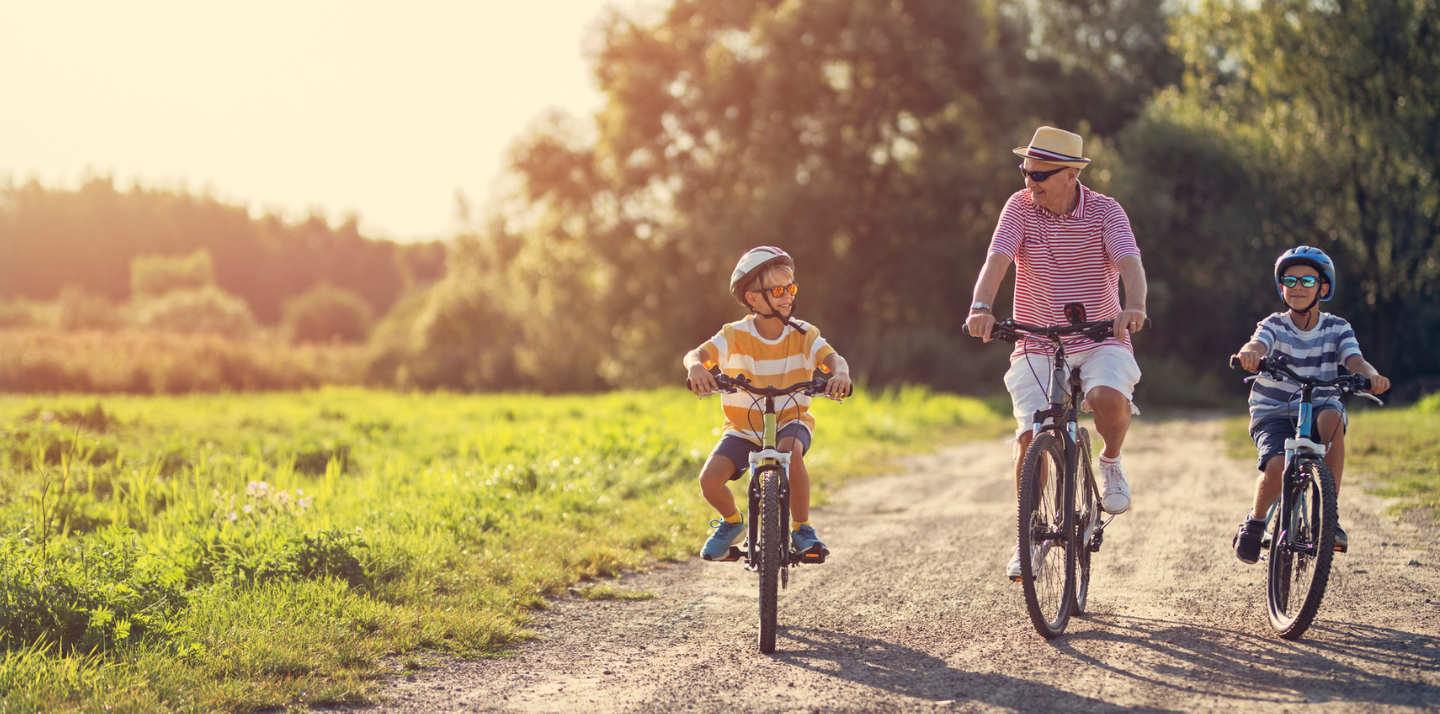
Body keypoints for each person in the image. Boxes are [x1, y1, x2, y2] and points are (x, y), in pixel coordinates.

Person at [963, 126, 1149, 581]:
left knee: (1108, 398)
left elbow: (1130, 265)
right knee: (1031, 434)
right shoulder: (1019, 208)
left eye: (1040, 174)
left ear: (1071, 174)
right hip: (1037, 339)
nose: (1030, 182)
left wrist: (1135, 306)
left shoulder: (1106, 211)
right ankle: (1028, 534)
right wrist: (981, 307)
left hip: (1102, 335)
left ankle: (1109, 462)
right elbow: (997, 261)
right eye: (1025, 172)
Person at [684, 246, 853, 562]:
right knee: (709, 480)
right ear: (753, 298)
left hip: (791, 418)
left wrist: (839, 375)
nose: (788, 296)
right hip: (743, 428)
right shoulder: (734, 335)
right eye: (778, 290)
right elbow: (695, 355)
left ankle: (801, 527)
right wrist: (696, 368)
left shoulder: (804, 334)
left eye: (791, 288)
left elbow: (833, 359)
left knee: (791, 452)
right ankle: (733, 522)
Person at [1230, 246, 1389, 563]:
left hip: (1320, 404)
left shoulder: (1337, 328)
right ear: (1282, 287)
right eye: (1289, 280)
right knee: (1276, 468)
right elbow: (1258, 343)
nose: (1297, 287)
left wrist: (1371, 376)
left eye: (1306, 280)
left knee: (1332, 418)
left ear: (1323, 287)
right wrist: (1250, 354)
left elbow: (1355, 360)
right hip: (1274, 412)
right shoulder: (1274, 324)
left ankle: (1327, 519)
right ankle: (1256, 520)